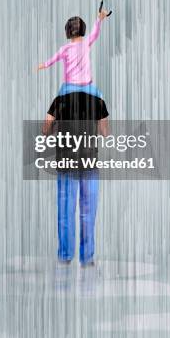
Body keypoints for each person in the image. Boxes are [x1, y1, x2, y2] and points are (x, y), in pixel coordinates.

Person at [43, 91, 109, 266]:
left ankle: (65, 256)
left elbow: (45, 131)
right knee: (88, 213)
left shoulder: (59, 100)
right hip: (88, 163)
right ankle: (87, 258)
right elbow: (104, 133)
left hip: (66, 163)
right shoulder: (97, 101)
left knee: (65, 212)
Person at [38, 10, 109, 98]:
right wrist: (99, 19)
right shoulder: (86, 43)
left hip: (69, 87)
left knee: (54, 109)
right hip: (87, 86)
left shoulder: (64, 49)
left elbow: (51, 61)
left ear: (67, 31)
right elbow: (95, 33)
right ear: (83, 29)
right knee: (100, 99)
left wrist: (42, 65)